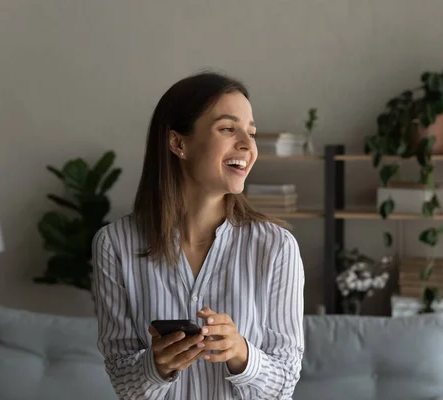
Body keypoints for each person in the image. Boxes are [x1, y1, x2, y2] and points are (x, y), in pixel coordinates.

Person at [92, 71, 305, 400]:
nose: (248, 146)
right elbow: (123, 381)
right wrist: (157, 365)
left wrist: (240, 353)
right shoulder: (116, 244)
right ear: (179, 143)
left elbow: (284, 383)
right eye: (227, 129)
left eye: (251, 132)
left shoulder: (276, 247)